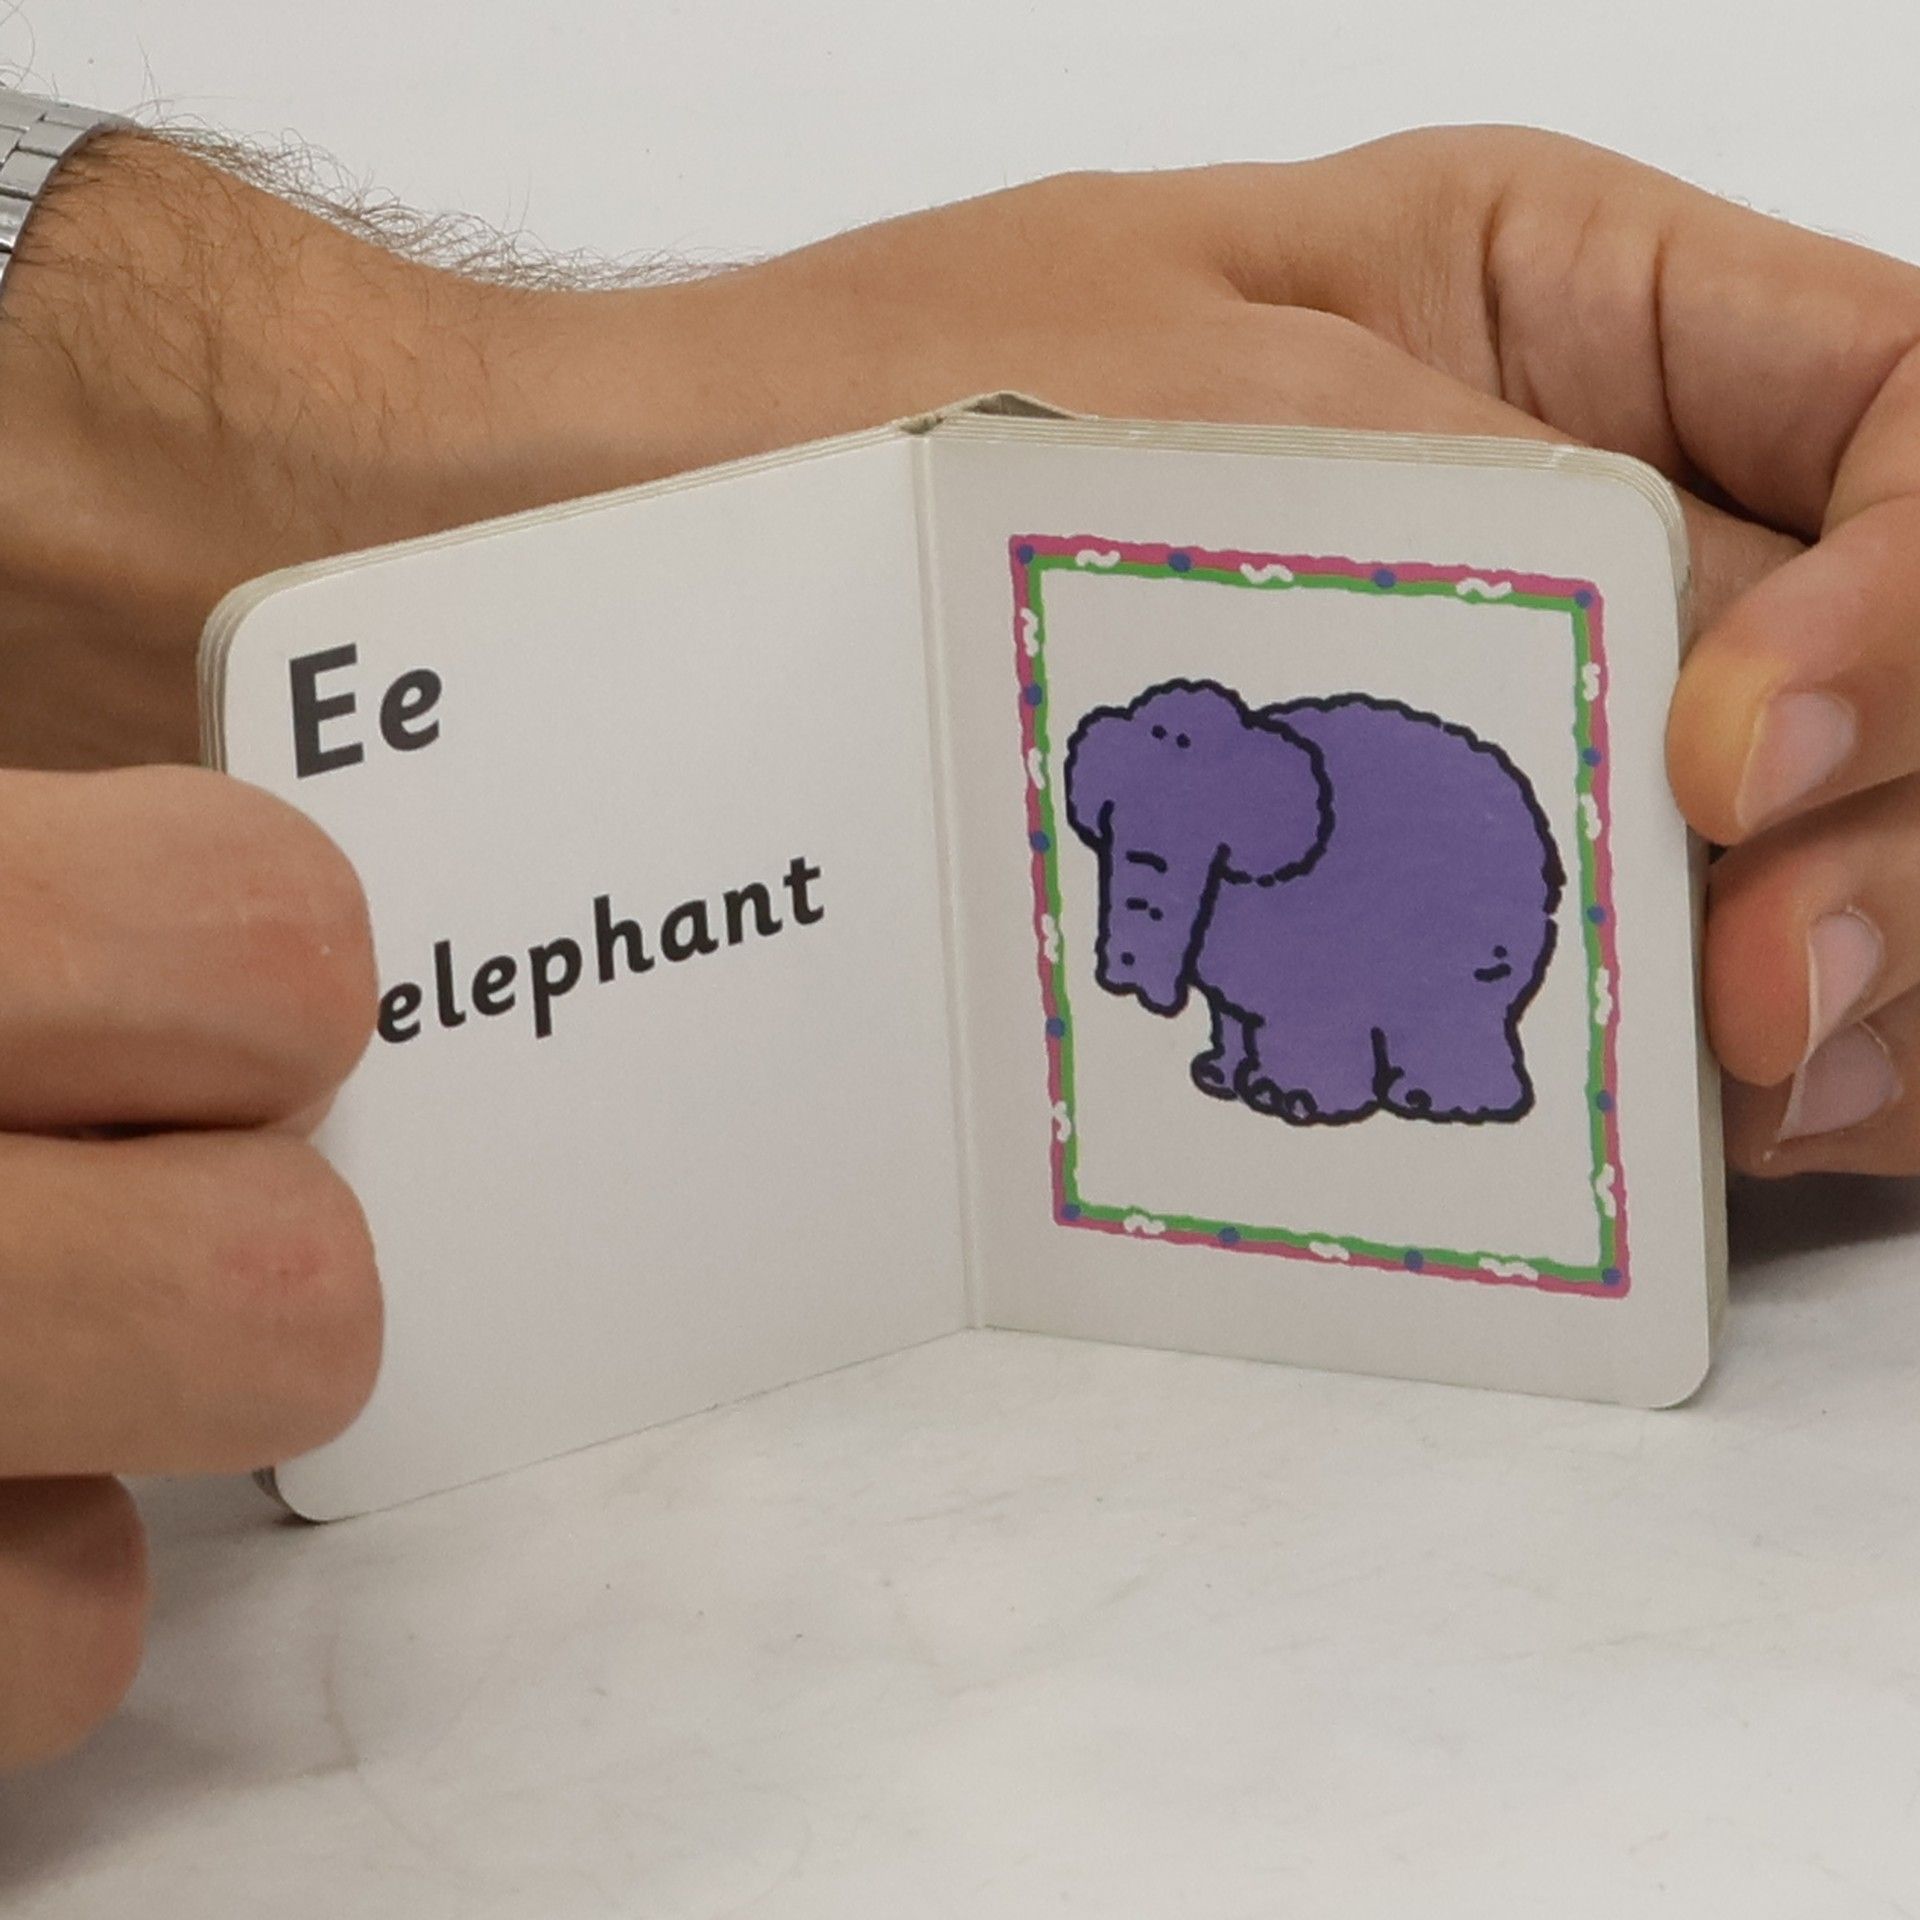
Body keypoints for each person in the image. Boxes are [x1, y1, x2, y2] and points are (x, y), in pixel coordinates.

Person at [0, 110, 1912, 1768]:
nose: (1139, 915)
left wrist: (385, 440)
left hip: (1448, 910)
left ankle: (1428, 1069)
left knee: (1416, 1007)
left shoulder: (1317, 814)